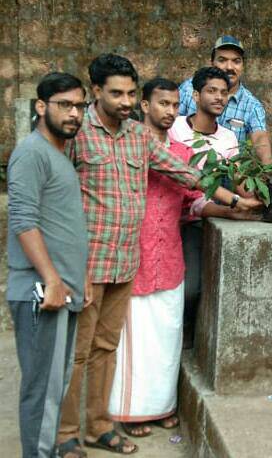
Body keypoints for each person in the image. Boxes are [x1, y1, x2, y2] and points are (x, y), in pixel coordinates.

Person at [57, 54, 260, 456]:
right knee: (75, 354)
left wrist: (236, 198)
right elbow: (56, 199)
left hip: (125, 263)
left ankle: (99, 425)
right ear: (96, 92)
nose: (126, 101)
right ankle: (65, 434)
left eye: (131, 93)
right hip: (87, 263)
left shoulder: (137, 137)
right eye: (117, 93)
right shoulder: (77, 135)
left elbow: (187, 175)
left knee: (105, 349)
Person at [108, 77, 257, 437]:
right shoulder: (130, 145)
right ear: (144, 105)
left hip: (169, 253)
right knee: (135, 335)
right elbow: (193, 182)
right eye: (162, 104)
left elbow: (194, 201)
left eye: (175, 105)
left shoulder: (182, 150)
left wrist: (226, 212)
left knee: (167, 332)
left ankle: (160, 406)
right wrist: (233, 199)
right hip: (135, 252)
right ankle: (128, 410)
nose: (169, 112)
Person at [7, 72, 89, 458]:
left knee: (55, 387)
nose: (74, 113)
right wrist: (53, 280)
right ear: (41, 107)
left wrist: (78, 278)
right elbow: (23, 220)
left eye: (80, 106)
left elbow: (63, 227)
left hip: (62, 290)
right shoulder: (31, 152)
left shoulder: (57, 154)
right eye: (65, 105)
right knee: (42, 391)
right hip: (42, 292)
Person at [171, 67, 241, 348]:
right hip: (170, 215)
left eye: (224, 92)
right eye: (212, 91)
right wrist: (235, 202)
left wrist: (255, 195)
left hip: (198, 217)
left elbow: (239, 179)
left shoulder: (228, 138)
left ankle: (189, 337)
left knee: (194, 288)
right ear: (196, 95)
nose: (219, 97)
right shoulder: (175, 127)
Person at [178, 34, 271, 162]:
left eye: (236, 61)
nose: (229, 67)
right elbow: (172, 125)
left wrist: (269, 170)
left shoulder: (252, 105)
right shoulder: (189, 89)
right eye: (222, 60)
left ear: (243, 65)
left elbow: (260, 140)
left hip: (228, 175)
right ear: (212, 63)